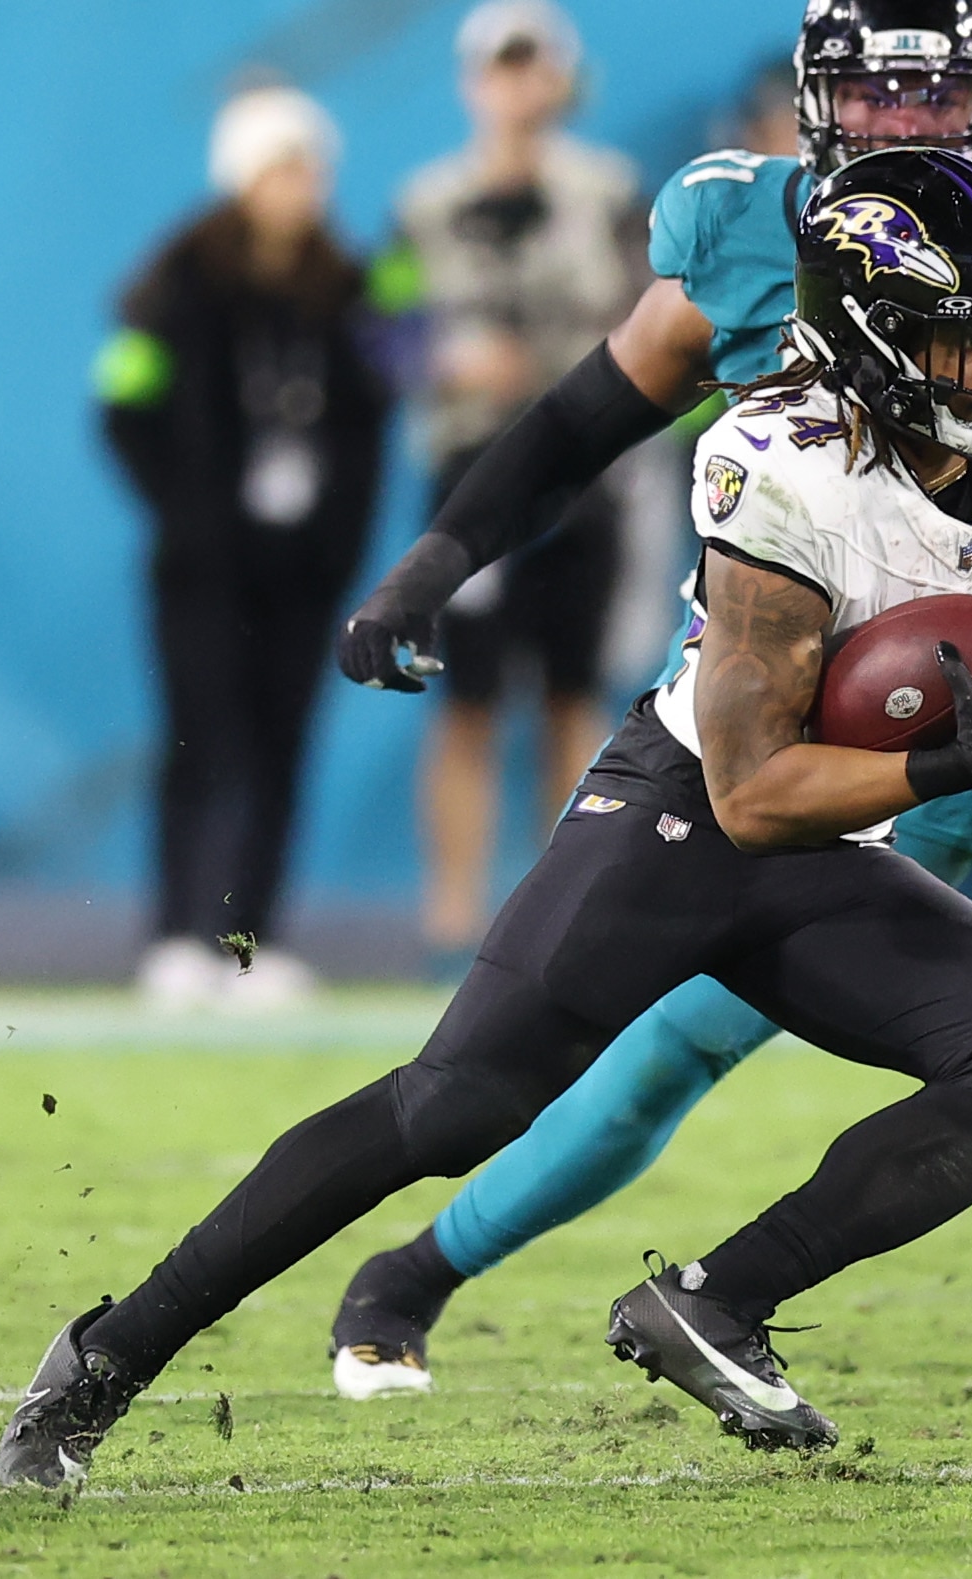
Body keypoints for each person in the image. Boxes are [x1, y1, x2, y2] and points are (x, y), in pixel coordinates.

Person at [0, 147, 972, 1488]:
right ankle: (108, 1356)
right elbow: (751, 789)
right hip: (683, 821)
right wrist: (932, 774)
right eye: (967, 341)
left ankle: (718, 1296)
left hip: (824, 836)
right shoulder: (778, 475)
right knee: (454, 1108)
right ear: (866, 343)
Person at [317, 0, 972, 1399]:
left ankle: (469, 1277)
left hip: (935, 734)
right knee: (650, 1048)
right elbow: (573, 429)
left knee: (694, 1053)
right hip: (754, 724)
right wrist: (430, 563)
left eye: (933, 97)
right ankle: (470, 1277)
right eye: (875, 98)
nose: (905, 126)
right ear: (819, 101)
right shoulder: (746, 230)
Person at [98, 86, 391, 1009]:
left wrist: (340, 537)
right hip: (201, 568)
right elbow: (121, 406)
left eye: (312, 167)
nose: (299, 186)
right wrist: (185, 515)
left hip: (303, 568)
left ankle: (244, 940)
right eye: (281, 167)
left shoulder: (352, 290)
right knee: (200, 740)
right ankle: (177, 933)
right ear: (242, 178)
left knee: (280, 744)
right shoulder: (170, 284)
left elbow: (382, 407)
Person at [385, 2, 642, 968]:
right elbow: (382, 329)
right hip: (472, 468)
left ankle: (561, 912)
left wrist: (563, 366)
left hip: (584, 469)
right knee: (465, 697)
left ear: (562, 80)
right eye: (501, 66)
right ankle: (452, 917)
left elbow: (654, 318)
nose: (518, 85)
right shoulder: (425, 201)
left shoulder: (607, 191)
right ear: (471, 81)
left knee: (575, 695)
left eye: (534, 66)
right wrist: (446, 356)